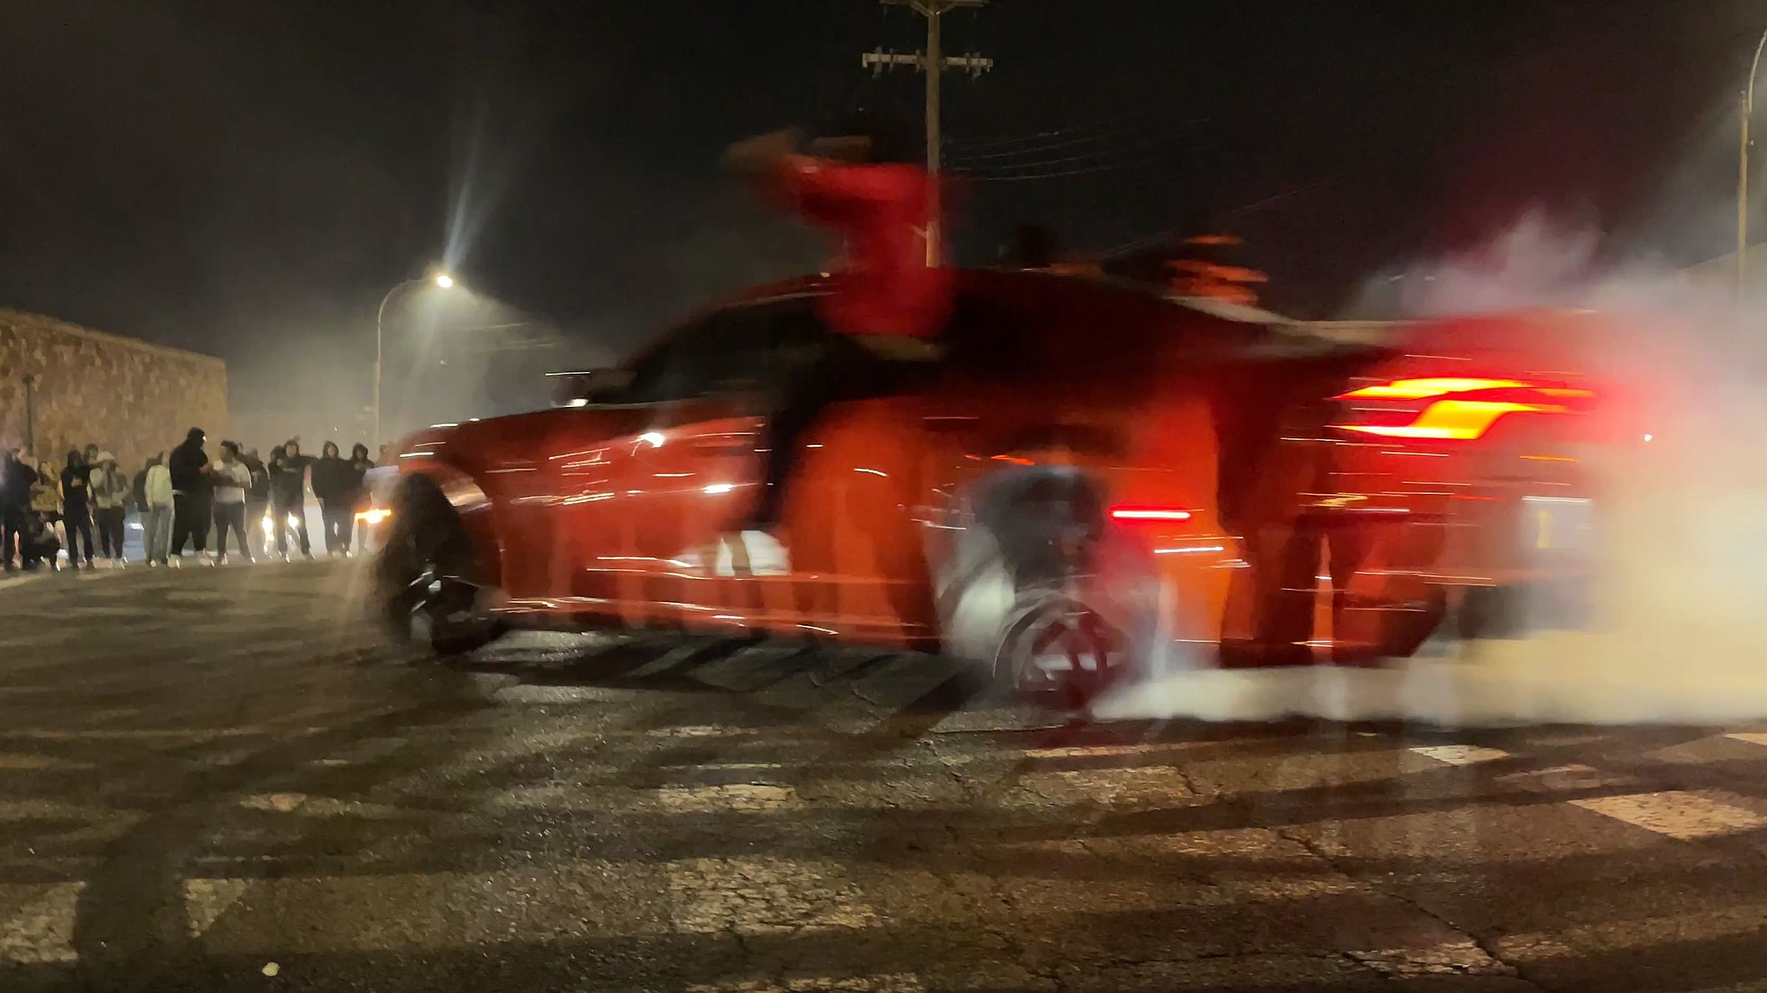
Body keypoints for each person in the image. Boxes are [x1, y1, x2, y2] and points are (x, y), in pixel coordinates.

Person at [724, 118, 952, 536]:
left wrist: (780, 159)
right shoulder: (893, 192)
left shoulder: (887, 185)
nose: (840, 154)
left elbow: (821, 185)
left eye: (849, 146)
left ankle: (763, 527)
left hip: (883, 338)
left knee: (788, 418)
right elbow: (806, 197)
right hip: (895, 339)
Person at [168, 427, 210, 562]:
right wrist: (199, 471)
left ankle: (177, 554)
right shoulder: (190, 454)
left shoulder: (177, 453)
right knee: (192, 524)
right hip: (190, 493)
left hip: (185, 493)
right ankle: (196, 552)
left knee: (185, 524)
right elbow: (181, 472)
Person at [208, 441, 253, 564]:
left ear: (231, 453)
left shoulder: (241, 467)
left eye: (224, 451)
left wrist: (234, 482)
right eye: (220, 451)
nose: (220, 453)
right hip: (220, 502)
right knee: (221, 531)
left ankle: (246, 554)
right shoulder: (216, 465)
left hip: (236, 503)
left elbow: (248, 485)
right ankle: (221, 555)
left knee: (239, 530)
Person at [268, 440, 314, 560]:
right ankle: (282, 551)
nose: (291, 451)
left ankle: (305, 550)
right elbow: (271, 471)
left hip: (296, 498)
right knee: (280, 526)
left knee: (301, 525)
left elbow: (313, 459)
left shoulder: (300, 461)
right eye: (289, 448)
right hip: (280, 499)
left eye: (294, 448)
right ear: (285, 449)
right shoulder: (276, 463)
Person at [310, 441, 354, 557]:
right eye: (330, 449)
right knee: (329, 525)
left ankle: (344, 546)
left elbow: (349, 479)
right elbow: (315, 481)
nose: (332, 451)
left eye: (334, 449)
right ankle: (331, 547)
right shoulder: (319, 465)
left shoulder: (342, 463)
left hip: (342, 499)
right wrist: (319, 496)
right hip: (327, 499)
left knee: (344, 524)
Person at [89, 451, 130, 566]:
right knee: (104, 532)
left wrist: (119, 497)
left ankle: (118, 554)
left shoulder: (118, 473)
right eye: (104, 462)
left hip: (116, 506)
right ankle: (107, 555)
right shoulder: (95, 473)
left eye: (109, 462)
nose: (107, 465)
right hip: (103, 506)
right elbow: (96, 485)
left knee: (118, 532)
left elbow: (124, 488)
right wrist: (104, 474)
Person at [0, 450, 36, 571]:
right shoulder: (20, 468)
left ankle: (9, 562)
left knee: (10, 535)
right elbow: (33, 476)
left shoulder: (5, 471)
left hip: (9, 507)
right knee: (24, 534)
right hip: (20, 505)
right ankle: (25, 561)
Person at [60, 449, 94, 569]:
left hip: (81, 506)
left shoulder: (83, 471)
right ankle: (74, 559)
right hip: (70, 507)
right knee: (71, 535)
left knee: (87, 534)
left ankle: (89, 558)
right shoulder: (65, 473)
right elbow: (72, 483)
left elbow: (86, 472)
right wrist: (77, 482)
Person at [27, 459, 61, 570]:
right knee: (35, 536)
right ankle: (36, 558)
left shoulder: (52, 480)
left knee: (52, 537)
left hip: (51, 509)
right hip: (37, 510)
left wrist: (50, 474)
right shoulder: (35, 480)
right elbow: (32, 491)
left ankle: (52, 560)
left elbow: (56, 485)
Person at [142, 452, 174, 567]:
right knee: (152, 531)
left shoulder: (173, 471)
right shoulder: (154, 470)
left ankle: (164, 554)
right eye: (165, 457)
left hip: (167, 504)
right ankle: (149, 555)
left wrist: (172, 504)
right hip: (155, 503)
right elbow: (148, 486)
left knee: (166, 531)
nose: (167, 459)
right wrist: (149, 502)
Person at [241, 446, 270, 560]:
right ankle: (247, 551)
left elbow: (265, 486)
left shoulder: (260, 469)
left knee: (254, 526)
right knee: (248, 526)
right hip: (251, 500)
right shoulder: (246, 468)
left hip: (258, 500)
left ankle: (258, 550)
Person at [347, 443, 375, 551]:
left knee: (363, 524)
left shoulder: (370, 464)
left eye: (362, 452)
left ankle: (361, 546)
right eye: (358, 452)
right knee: (349, 524)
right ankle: (346, 546)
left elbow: (374, 478)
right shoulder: (349, 464)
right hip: (352, 498)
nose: (360, 454)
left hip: (365, 498)